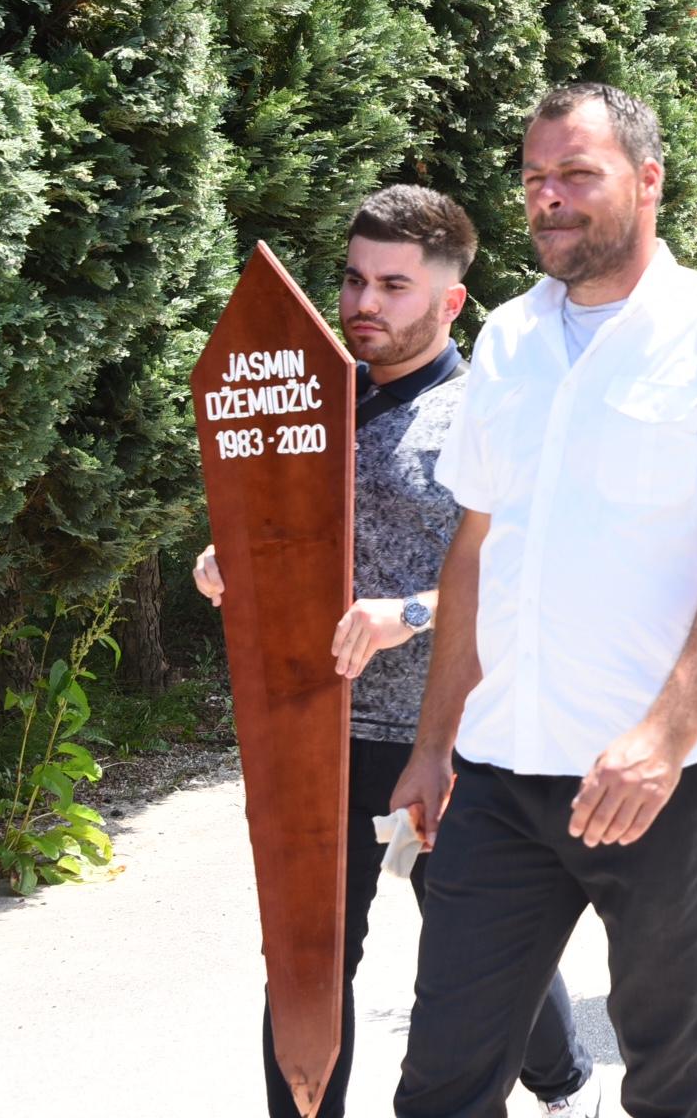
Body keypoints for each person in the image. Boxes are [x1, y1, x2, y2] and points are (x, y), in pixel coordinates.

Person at [390, 84, 697, 1117]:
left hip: (658, 782)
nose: (550, 199)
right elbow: (476, 547)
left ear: (647, 180)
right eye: (535, 179)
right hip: (500, 771)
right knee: (442, 1083)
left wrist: (665, 735)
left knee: (670, 1081)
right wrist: (432, 743)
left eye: (577, 174)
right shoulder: (506, 336)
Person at [194, 187, 600, 1118]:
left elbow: (522, 571)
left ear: (451, 301)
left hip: (447, 731)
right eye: (353, 280)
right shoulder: (304, 399)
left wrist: (407, 613)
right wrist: (232, 562)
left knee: (478, 943)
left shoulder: (485, 416)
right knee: (307, 953)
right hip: (317, 729)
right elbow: (269, 530)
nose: (364, 304)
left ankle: (561, 1081)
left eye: (394, 287)